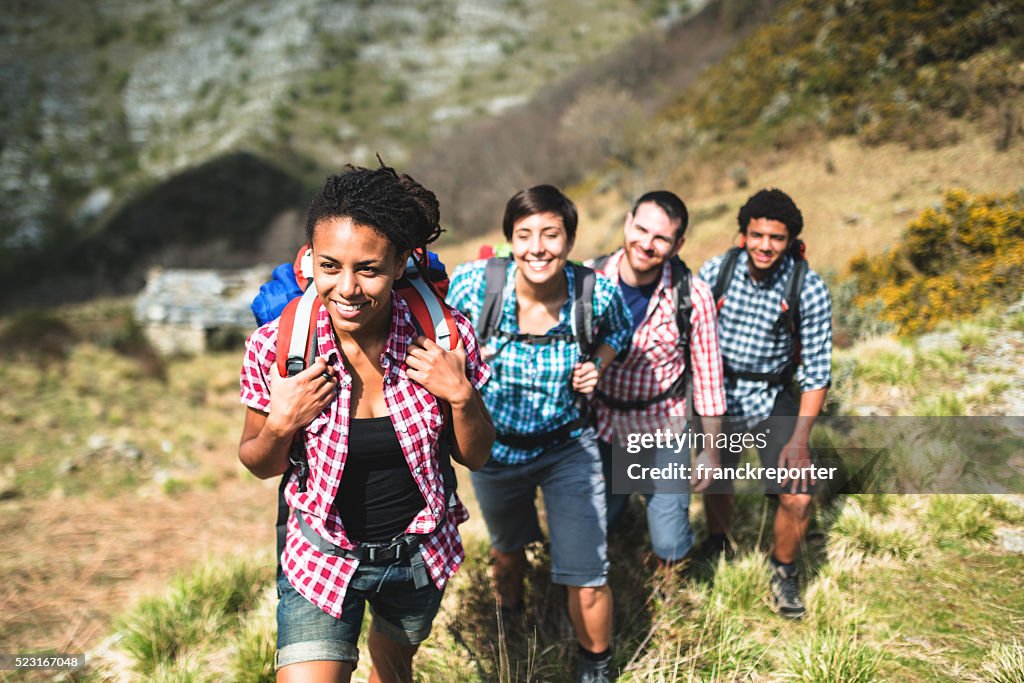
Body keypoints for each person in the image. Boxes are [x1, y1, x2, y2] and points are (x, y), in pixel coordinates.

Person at [238, 163, 495, 683]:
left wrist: (461, 396)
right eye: (330, 266)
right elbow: (258, 463)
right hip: (319, 555)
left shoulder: (444, 339)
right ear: (310, 261)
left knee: (392, 670)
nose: (347, 288)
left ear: (400, 264)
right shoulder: (279, 347)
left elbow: (477, 455)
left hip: (420, 553)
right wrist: (280, 425)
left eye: (369, 269)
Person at [446, 185, 632, 683]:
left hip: (568, 447)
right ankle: (511, 619)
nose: (537, 247)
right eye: (524, 235)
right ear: (509, 241)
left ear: (569, 240)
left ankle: (596, 668)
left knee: (588, 574)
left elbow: (621, 331)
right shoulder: (474, 286)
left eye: (551, 234)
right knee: (507, 551)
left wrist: (598, 362)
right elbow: (426, 322)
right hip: (495, 450)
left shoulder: (595, 293)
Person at [697, 188, 832, 619]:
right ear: (743, 234)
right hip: (718, 392)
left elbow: (817, 371)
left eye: (776, 238)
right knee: (717, 476)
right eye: (757, 235)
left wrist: (800, 440)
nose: (765, 246)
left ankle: (784, 571)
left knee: (797, 494)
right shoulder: (717, 271)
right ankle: (717, 541)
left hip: (774, 395)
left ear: (791, 240)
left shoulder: (806, 287)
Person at [590, 190, 726, 566]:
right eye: (641, 229)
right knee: (599, 523)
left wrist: (710, 451)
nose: (646, 244)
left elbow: (709, 381)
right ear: (627, 222)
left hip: (663, 427)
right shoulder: (587, 279)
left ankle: (673, 597)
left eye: (661, 238)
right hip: (599, 425)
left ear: (678, 243)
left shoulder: (692, 296)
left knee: (669, 538)